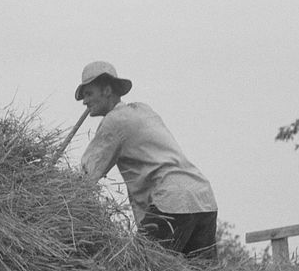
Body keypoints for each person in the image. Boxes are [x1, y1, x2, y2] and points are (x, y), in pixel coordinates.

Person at [77, 61, 218, 260]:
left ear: (107, 90)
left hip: (171, 201)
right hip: (203, 198)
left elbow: (85, 177)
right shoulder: (143, 111)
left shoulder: (114, 121)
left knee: (142, 270)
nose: (84, 102)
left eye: (88, 94)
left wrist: (55, 196)